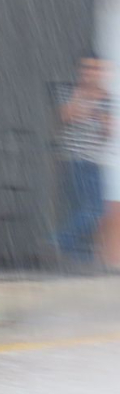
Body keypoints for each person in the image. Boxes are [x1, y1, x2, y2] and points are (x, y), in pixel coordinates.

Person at [57, 54, 112, 267]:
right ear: (81, 70)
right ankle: (60, 242)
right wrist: (90, 103)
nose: (91, 73)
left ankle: (70, 250)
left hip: (94, 162)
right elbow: (67, 115)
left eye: (96, 69)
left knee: (92, 211)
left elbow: (107, 131)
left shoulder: (104, 97)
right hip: (76, 161)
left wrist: (100, 115)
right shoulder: (71, 91)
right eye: (88, 68)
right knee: (91, 210)